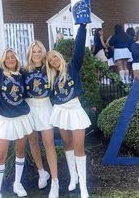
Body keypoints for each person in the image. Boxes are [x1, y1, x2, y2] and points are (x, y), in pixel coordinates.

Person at [0, 21, 33, 198]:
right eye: (7, 57)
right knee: (0, 154)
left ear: (16, 59)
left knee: (20, 152)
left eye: (13, 57)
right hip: (5, 120)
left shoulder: (22, 75)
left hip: (22, 118)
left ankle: (18, 184)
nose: (10, 59)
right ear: (3, 60)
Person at [46, 24, 91, 198]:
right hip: (60, 110)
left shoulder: (73, 67)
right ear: (49, 64)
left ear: (60, 57)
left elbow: (79, 47)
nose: (54, 60)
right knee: (67, 143)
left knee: (79, 146)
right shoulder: (51, 77)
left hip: (75, 109)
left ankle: (84, 186)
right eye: (50, 60)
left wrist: (82, 27)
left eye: (55, 57)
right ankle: (73, 178)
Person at [21, 40, 59, 198]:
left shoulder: (48, 67)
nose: (36, 54)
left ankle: (55, 181)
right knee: (33, 141)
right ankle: (42, 172)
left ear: (43, 52)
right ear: (30, 53)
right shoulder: (24, 70)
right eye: (33, 51)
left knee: (49, 143)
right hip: (30, 107)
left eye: (39, 51)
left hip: (45, 106)